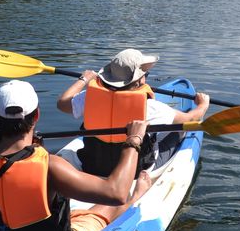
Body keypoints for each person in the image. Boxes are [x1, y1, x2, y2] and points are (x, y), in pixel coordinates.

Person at [0, 80, 151, 231]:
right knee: (120, 199)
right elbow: (115, 192)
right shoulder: (51, 166)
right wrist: (134, 139)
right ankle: (136, 198)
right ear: (36, 115)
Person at [57, 48, 210, 177]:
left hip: (93, 165)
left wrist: (84, 79)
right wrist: (203, 105)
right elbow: (190, 118)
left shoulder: (88, 97)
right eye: (145, 75)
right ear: (139, 81)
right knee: (178, 130)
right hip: (135, 171)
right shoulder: (150, 107)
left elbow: (62, 104)